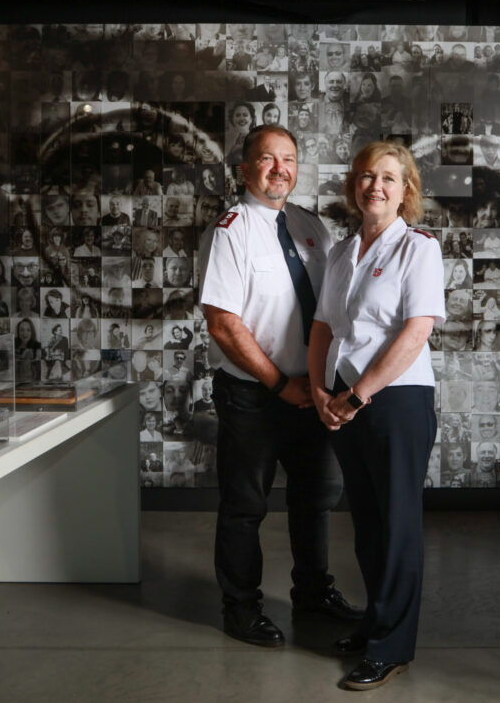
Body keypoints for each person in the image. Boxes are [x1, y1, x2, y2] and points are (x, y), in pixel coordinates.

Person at [198, 125, 360, 649]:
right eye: (266, 159)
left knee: (315, 500)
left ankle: (312, 593)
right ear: (245, 169)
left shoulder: (310, 226)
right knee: (245, 506)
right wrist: (278, 385)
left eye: (288, 159)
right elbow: (223, 323)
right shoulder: (230, 230)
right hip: (253, 396)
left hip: (312, 392)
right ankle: (241, 608)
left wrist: (318, 384)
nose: (279, 169)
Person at [308, 140, 444, 690]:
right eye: (367, 176)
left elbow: (417, 331)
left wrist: (358, 395)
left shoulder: (418, 248)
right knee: (366, 522)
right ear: (354, 186)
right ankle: (375, 619)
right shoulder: (342, 252)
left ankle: (391, 646)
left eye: (389, 178)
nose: (376, 186)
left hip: (395, 401)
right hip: (343, 399)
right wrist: (320, 390)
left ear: (405, 190)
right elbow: (323, 327)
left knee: (398, 527)